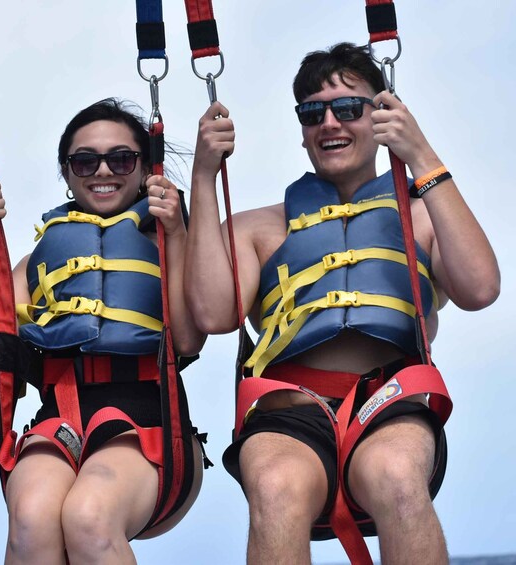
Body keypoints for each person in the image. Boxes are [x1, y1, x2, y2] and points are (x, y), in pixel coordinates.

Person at [186, 43, 499, 563]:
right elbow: (215, 316)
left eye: (348, 108)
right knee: (276, 488)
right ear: (302, 128)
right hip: (289, 408)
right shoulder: (256, 228)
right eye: (313, 113)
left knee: (399, 480)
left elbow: (481, 289)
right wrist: (202, 176)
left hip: (389, 400)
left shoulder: (422, 216)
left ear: (379, 115)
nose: (329, 122)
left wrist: (420, 155)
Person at [0, 98, 207, 564]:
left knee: (88, 516)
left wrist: (176, 232)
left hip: (153, 423)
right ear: (67, 171)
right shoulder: (45, 256)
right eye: (85, 160)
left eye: (121, 158)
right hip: (62, 419)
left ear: (142, 169)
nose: (103, 171)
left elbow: (190, 339)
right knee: (32, 519)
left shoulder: (170, 235)